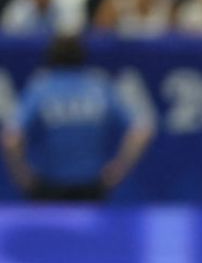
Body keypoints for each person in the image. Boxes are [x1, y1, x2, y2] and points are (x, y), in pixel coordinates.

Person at [3, 34, 152, 200]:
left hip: (49, 190)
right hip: (92, 188)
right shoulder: (100, 86)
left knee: (51, 227)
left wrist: (22, 176)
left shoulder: (41, 88)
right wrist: (119, 169)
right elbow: (140, 130)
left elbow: (11, 138)